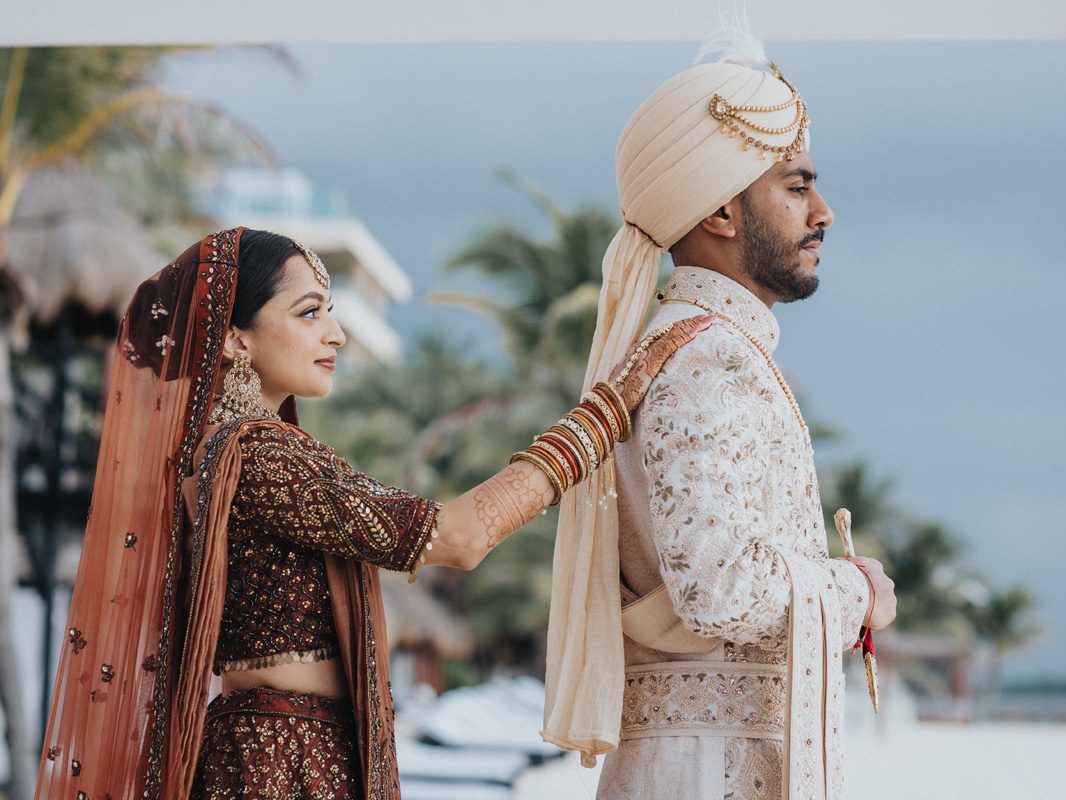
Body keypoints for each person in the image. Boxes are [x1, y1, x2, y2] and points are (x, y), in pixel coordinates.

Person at [35, 227, 710, 799]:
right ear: (235, 338)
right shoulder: (259, 457)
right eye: (308, 314)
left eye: (329, 311)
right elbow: (458, 535)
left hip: (289, 750)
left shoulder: (241, 451)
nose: (336, 334)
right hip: (279, 764)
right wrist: (601, 417)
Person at [541, 34, 899, 800]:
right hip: (704, 772)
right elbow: (720, 590)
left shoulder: (708, 350)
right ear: (723, 212)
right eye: (797, 186)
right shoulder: (707, 361)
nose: (825, 212)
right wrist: (856, 590)